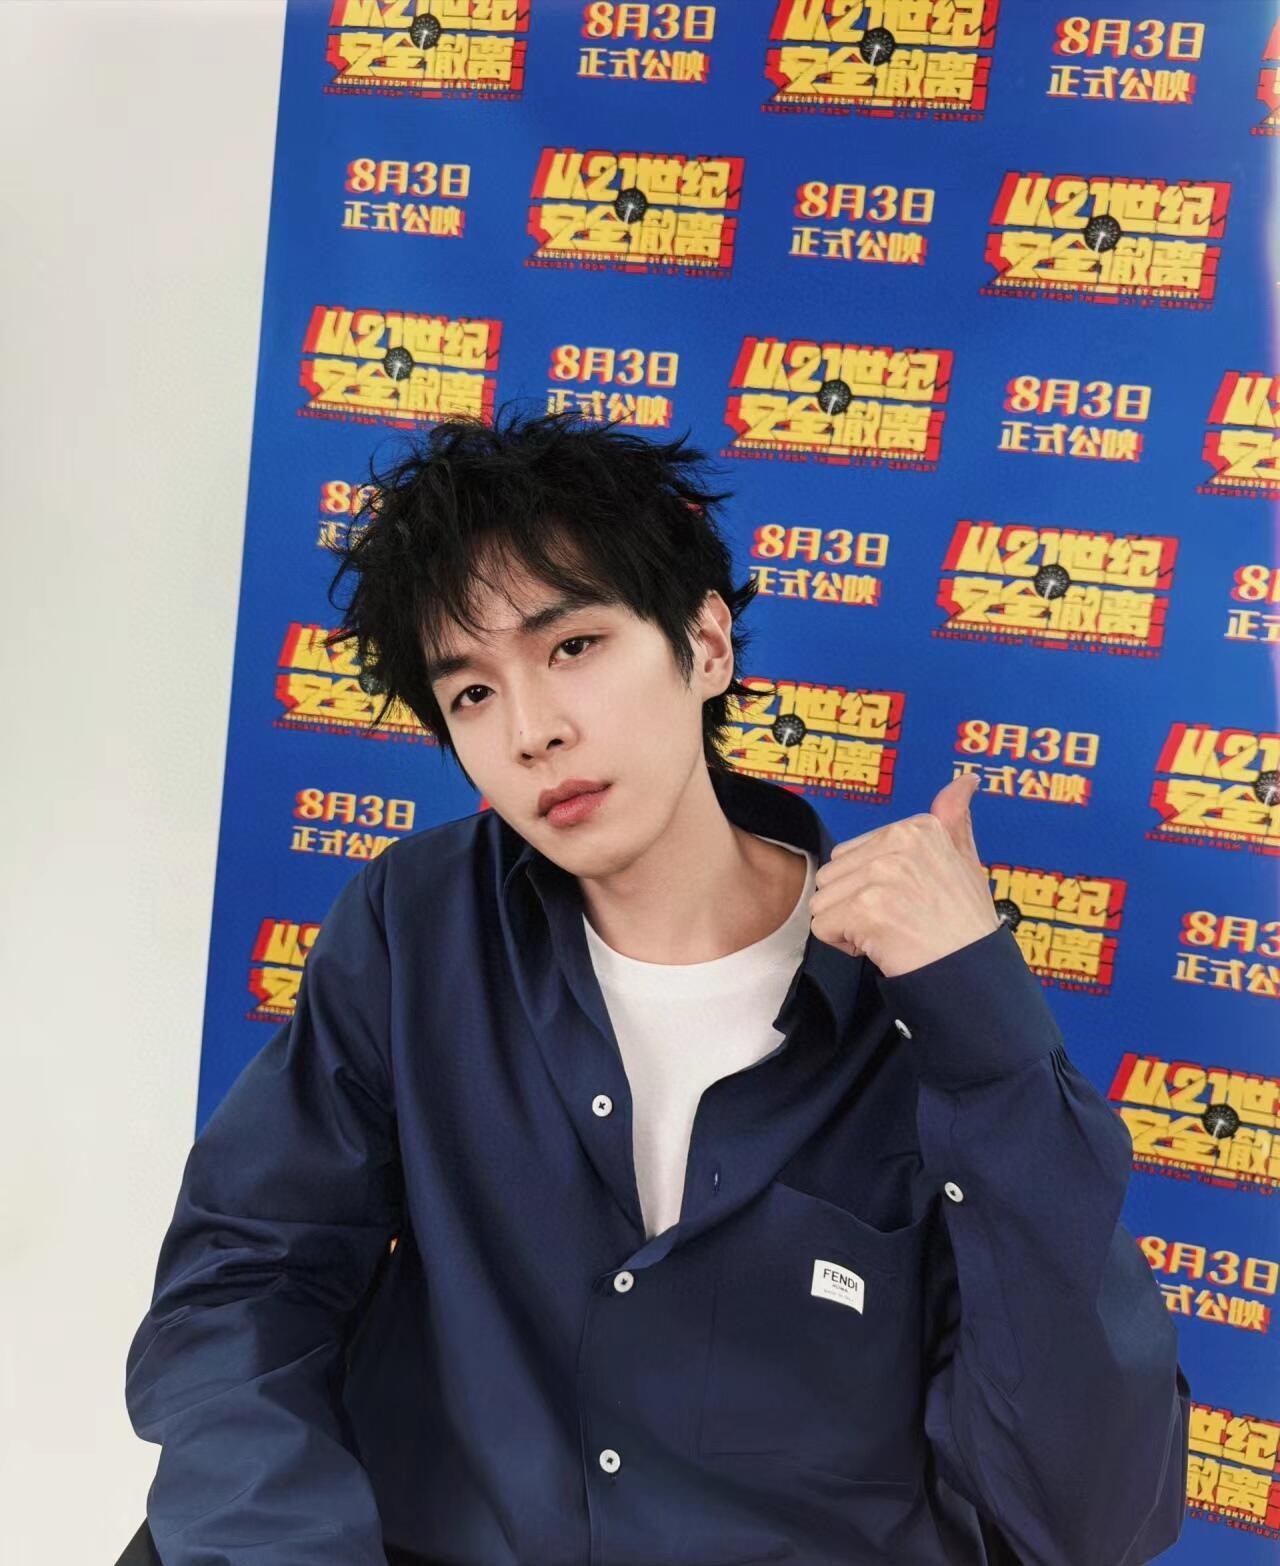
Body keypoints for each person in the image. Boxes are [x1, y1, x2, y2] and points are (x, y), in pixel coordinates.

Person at [125, 404, 1191, 1565]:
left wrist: (986, 1031)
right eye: (471, 693)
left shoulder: (916, 1000)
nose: (531, 731)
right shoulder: (416, 923)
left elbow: (1087, 1517)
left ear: (706, 644)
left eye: (573, 646)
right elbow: (244, 1281)